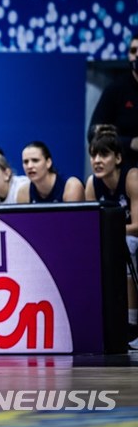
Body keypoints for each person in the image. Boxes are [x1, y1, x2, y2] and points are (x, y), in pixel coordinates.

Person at [84, 125, 138, 349]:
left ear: (117, 158)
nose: (97, 160)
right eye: (93, 155)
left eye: (104, 154)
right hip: (114, 238)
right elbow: (88, 226)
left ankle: (132, 325)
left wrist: (111, 229)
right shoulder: (92, 184)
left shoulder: (132, 177)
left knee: (126, 244)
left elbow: (137, 226)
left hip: (131, 238)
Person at [87, 32, 138, 168]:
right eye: (133, 51)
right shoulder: (116, 89)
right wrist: (130, 143)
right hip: (123, 169)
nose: (137, 55)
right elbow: (92, 134)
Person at [16, 141, 85, 203]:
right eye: (25, 162)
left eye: (35, 160)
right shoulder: (23, 193)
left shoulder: (72, 186)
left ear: (48, 162)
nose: (29, 166)